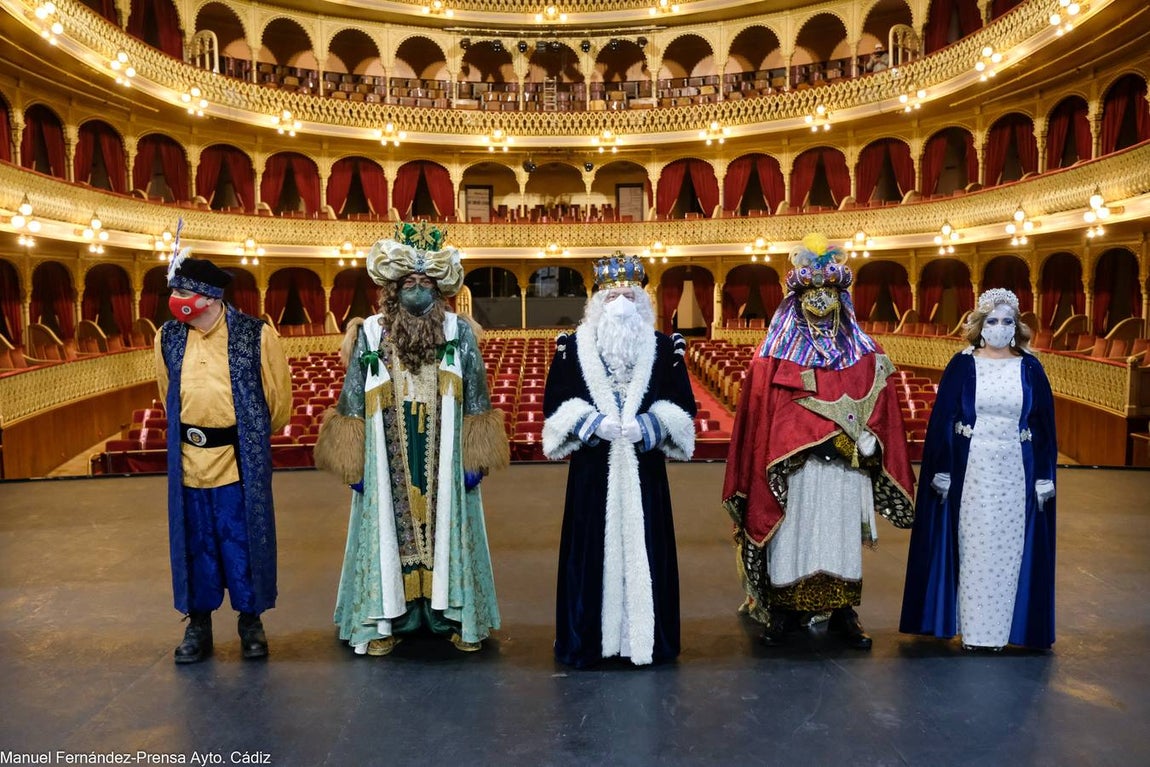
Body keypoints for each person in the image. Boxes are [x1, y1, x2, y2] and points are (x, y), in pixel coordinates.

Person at [314, 222, 508, 656]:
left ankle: (449, 614)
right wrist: (353, 460)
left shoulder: (459, 333)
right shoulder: (371, 333)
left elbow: (477, 395)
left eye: (426, 282)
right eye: (409, 282)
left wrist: (475, 457)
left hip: (446, 452)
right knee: (388, 524)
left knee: (445, 527)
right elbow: (350, 400)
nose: (417, 290)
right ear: (393, 288)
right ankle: (390, 616)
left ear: (440, 289)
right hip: (388, 455)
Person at [722, 233, 915, 649]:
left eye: (830, 292)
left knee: (839, 537)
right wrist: (813, 442)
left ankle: (844, 613)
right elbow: (763, 422)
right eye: (813, 292)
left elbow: (881, 412)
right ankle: (787, 612)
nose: (821, 301)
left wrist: (867, 443)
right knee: (793, 535)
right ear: (797, 297)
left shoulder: (866, 353)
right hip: (795, 473)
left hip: (845, 473)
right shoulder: (773, 356)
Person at [542, 253, 696, 668]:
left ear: (642, 300)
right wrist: (590, 422)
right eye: (612, 296)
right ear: (597, 302)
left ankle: (644, 640)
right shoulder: (571, 348)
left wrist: (651, 425)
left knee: (649, 547)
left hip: (645, 470)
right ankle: (589, 641)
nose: (621, 303)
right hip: (593, 470)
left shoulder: (665, 348)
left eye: (629, 294)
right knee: (590, 550)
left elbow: (683, 406)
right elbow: (554, 403)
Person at [155, 243, 292, 664]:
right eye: (175, 294)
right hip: (188, 461)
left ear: (211, 300)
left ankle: (250, 622)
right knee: (196, 544)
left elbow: (278, 400)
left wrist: (244, 437)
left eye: (185, 295)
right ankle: (198, 624)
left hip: (237, 460)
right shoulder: (168, 337)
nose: (178, 303)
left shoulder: (256, 333)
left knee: (243, 541)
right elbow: (166, 396)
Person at [900, 288, 1057, 651]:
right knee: (974, 545)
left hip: (1015, 469)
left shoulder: (1030, 367)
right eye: (993, 321)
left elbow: (1045, 425)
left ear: (1016, 327)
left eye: (1007, 322)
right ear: (980, 326)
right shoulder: (963, 364)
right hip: (973, 469)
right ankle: (975, 633)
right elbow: (943, 422)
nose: (1000, 328)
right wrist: (941, 469)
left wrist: (1045, 474)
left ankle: (1003, 633)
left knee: (1010, 548)